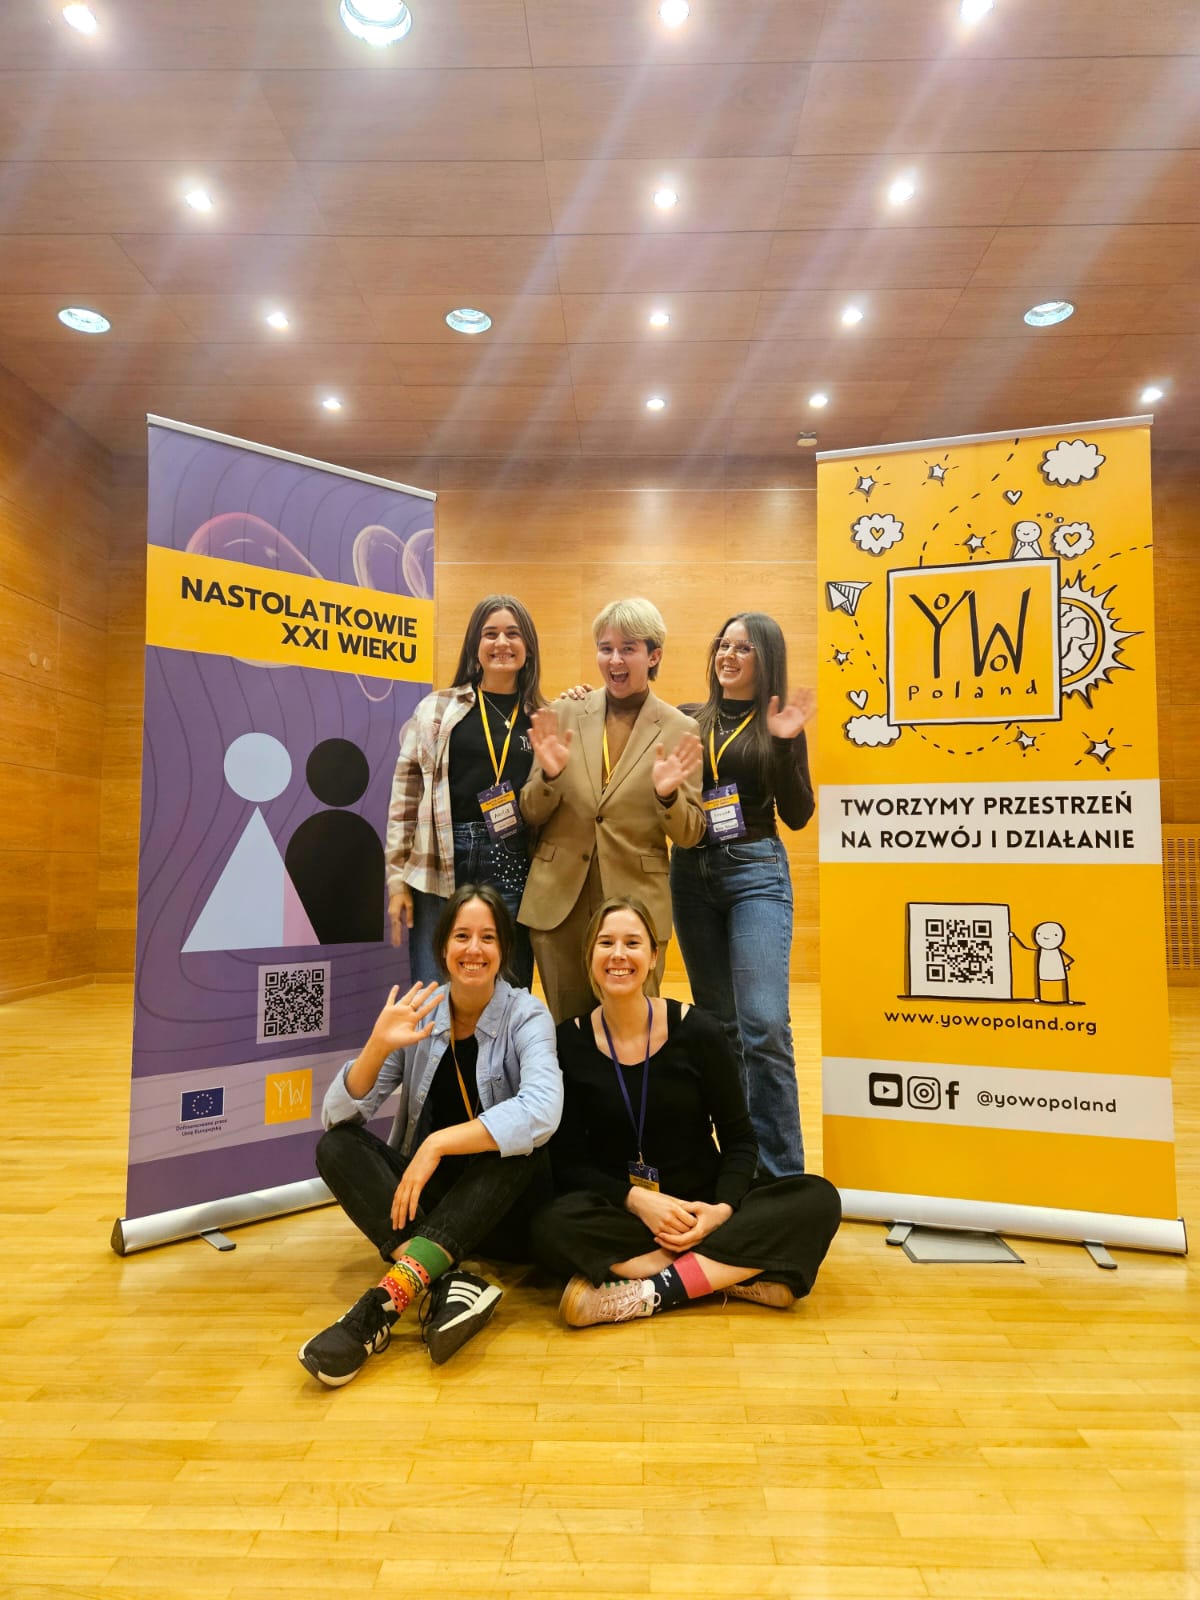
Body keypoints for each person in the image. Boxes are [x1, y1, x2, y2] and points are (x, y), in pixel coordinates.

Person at [530, 897, 840, 1326]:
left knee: (818, 1199)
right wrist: (638, 1201)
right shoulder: (569, 1042)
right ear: (589, 956)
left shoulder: (699, 1031)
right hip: (627, 1212)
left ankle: (651, 1289)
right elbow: (569, 1162)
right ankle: (723, 1274)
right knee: (550, 1225)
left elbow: (740, 1140)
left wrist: (720, 1211)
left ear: (653, 957)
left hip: (702, 1205)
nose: (619, 955)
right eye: (606, 943)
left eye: (632, 943)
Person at [299, 884, 561, 1385]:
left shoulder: (526, 1014)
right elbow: (337, 1116)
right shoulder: (423, 1012)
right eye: (461, 936)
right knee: (335, 1146)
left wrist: (436, 1144)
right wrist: (377, 1046)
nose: (474, 949)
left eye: (488, 937)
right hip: (437, 1208)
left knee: (521, 1146)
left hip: (504, 1208)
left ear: (504, 950)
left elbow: (543, 1110)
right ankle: (446, 1279)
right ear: (442, 948)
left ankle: (381, 1305)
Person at [668, 612, 816, 1177]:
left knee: (764, 1025)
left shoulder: (776, 724)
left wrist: (783, 744)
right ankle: (739, 1164)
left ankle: (781, 1177)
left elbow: (798, 815)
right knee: (719, 1026)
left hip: (755, 870)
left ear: (766, 658)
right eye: (722, 645)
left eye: (743, 648)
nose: (727, 656)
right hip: (691, 873)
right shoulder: (687, 718)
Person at [518, 597, 705, 1023]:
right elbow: (529, 811)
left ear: (653, 656)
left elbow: (691, 832)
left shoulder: (680, 728)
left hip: (637, 904)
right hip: (558, 901)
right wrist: (549, 778)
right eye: (606, 648)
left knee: (632, 1028)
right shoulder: (563, 712)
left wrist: (667, 797)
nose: (615, 660)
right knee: (567, 1030)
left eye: (628, 649)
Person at [386, 595, 544, 988]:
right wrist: (396, 879)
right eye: (490, 634)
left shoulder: (543, 717)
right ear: (475, 645)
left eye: (513, 634)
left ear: (528, 647)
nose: (502, 643)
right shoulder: (437, 708)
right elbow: (405, 795)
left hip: (511, 854)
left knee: (508, 988)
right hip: (440, 853)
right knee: (433, 986)